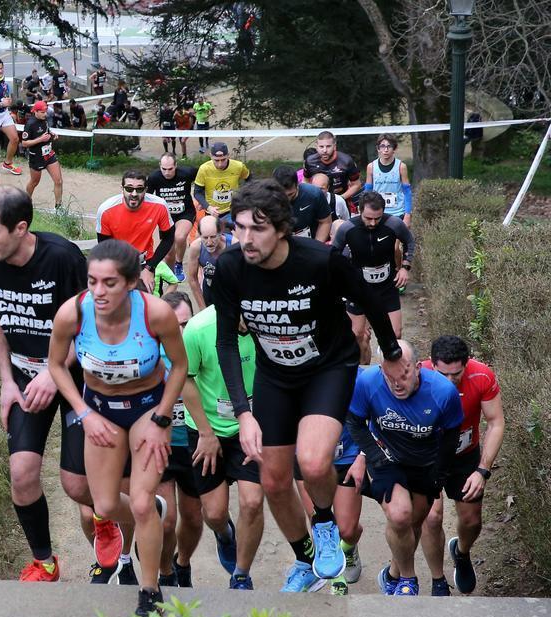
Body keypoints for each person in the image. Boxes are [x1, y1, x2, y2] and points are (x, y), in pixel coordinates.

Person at [212, 179, 405, 593]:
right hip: (275, 375)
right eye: (239, 227)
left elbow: (370, 299)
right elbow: (226, 341)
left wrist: (390, 354)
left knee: (315, 463)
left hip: (328, 367)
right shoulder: (229, 268)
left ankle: (323, 520)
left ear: (281, 228)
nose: (246, 239)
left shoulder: (320, 260)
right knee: (274, 480)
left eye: (257, 229)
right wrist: (243, 414)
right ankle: (306, 560)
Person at [0, 186, 129, 584]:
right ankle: (45, 563)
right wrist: (7, 380)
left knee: (77, 485)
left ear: (20, 228)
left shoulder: (61, 258)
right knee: (22, 476)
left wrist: (52, 370)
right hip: (26, 374)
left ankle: (127, 514)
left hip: (78, 374)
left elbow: (91, 325)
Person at [47, 239, 187, 617]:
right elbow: (56, 365)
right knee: (106, 505)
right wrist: (83, 412)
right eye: (92, 281)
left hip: (146, 409)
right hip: (100, 411)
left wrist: (161, 419)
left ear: (129, 283)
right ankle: (151, 511)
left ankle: (149, 591)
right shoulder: (72, 314)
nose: (98, 291)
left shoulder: (156, 314)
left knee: (140, 503)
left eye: (109, 283)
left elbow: (178, 366)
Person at [345, 341, 463, 597]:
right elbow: (354, 422)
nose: (397, 383)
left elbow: (452, 435)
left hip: (425, 463)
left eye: (404, 375)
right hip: (388, 459)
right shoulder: (368, 383)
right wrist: (374, 456)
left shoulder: (443, 392)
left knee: (413, 523)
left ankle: (392, 575)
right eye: (389, 376)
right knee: (399, 515)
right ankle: (409, 582)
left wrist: (440, 474)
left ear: (418, 367)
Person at [181, 300, 265, 591]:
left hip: (252, 426)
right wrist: (205, 432)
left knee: (252, 502)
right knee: (215, 514)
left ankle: (241, 575)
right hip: (208, 430)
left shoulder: (264, 324)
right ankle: (225, 534)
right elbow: (185, 378)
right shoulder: (198, 329)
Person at [419, 335, 504, 596]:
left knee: (471, 520)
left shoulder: (481, 376)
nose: (450, 381)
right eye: (443, 374)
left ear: (466, 365)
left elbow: (496, 422)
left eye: (456, 374)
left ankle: (462, 553)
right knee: (431, 518)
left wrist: (482, 470)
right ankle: (437, 581)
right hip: (428, 459)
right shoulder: (418, 376)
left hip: (464, 456)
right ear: (432, 365)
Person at [330, 191, 415, 365]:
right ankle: (364, 375)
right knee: (357, 336)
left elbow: (410, 241)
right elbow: (333, 254)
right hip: (359, 289)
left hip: (386, 286)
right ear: (360, 211)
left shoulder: (393, 224)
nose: (373, 222)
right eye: (368, 218)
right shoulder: (347, 228)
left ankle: (388, 374)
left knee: (395, 335)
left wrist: (405, 268)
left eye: (377, 218)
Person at [156, 292, 204, 588]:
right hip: (162, 445)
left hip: (194, 444)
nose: (181, 333)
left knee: (194, 519)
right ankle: (164, 572)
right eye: (174, 326)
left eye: (186, 324)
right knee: (166, 520)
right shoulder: (149, 353)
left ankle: (182, 562)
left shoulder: (202, 348)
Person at [96, 169, 176, 294]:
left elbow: (169, 238)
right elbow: (104, 247)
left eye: (139, 189)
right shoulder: (106, 209)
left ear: (146, 189)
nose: (134, 193)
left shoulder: (159, 205)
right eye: (129, 189)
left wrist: (150, 268)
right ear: (122, 189)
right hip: (117, 263)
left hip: (146, 263)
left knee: (149, 305)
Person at [327, 374, 370, 596]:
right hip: (311, 457)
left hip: (348, 456)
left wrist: (363, 456)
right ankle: (337, 576)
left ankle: (349, 547)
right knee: (323, 528)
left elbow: (374, 417)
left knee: (347, 529)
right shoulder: (300, 369)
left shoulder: (360, 377)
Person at [147, 153, 199, 280]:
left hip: (185, 212)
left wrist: (202, 198)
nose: (167, 172)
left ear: (176, 165)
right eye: (164, 169)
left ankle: (179, 264)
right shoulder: (154, 177)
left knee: (180, 236)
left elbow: (205, 176)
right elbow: (147, 197)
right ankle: (171, 277)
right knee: (168, 254)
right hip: (166, 216)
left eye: (170, 169)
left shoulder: (187, 173)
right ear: (160, 166)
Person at [192, 142, 249, 227]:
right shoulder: (204, 169)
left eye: (223, 160)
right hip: (212, 212)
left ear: (228, 155)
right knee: (208, 236)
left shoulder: (238, 166)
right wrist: (208, 207)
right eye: (216, 160)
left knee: (235, 236)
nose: (220, 164)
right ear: (211, 156)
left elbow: (250, 179)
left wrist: (244, 196)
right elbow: (197, 192)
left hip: (232, 210)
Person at [182, 215, 231, 310]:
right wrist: (202, 308)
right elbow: (192, 279)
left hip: (230, 291)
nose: (209, 242)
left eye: (213, 237)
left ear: (220, 233)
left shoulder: (234, 245)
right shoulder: (196, 247)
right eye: (205, 238)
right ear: (199, 235)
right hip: (210, 288)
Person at [21, 100, 64, 209]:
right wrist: (40, 139)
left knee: (58, 181)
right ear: (36, 111)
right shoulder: (30, 124)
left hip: (49, 154)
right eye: (43, 112)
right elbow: (24, 143)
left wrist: (52, 134)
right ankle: (27, 200)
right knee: (34, 182)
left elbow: (46, 131)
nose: (45, 114)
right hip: (36, 157)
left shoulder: (44, 120)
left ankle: (58, 208)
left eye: (45, 112)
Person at [272, 166, 333, 242]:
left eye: (291, 194)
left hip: (310, 241)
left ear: (297, 184)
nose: (287, 199)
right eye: (282, 195)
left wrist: (316, 245)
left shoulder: (314, 194)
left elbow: (325, 222)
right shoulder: (267, 200)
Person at [364, 134, 413, 226]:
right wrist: (365, 211)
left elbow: (407, 192)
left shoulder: (401, 167)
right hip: (377, 211)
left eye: (389, 146)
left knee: (396, 239)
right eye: (382, 146)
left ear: (394, 148)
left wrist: (407, 215)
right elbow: (367, 192)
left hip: (398, 212)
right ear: (378, 148)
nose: (385, 150)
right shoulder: (371, 167)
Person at [305, 131, 362, 207]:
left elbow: (357, 185)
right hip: (317, 202)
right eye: (321, 147)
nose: (324, 150)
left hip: (340, 202)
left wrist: (340, 199)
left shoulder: (346, 161)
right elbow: (305, 181)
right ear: (316, 146)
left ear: (334, 146)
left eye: (328, 146)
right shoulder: (310, 161)